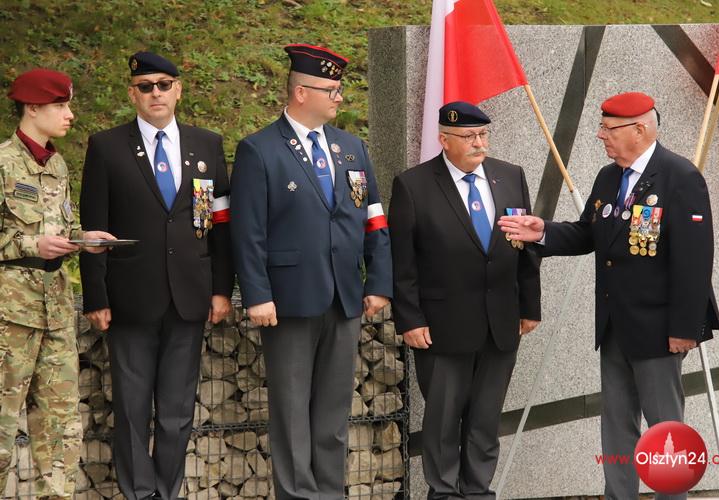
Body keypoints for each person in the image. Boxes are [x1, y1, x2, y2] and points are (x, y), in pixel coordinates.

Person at [499, 92, 719, 500]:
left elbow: (694, 260)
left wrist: (685, 328)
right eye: (601, 127)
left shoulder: (679, 177)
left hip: (660, 330)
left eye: (608, 129)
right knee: (617, 426)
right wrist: (543, 231)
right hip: (615, 325)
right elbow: (589, 233)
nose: (601, 135)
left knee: (665, 430)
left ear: (640, 129)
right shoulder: (609, 176)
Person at [231, 44, 392, 499]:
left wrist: (379, 281)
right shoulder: (259, 150)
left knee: (333, 412)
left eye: (339, 90)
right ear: (301, 92)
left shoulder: (351, 148)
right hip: (289, 299)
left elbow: (374, 218)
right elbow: (248, 232)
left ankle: (329, 492)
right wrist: (257, 294)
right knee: (291, 411)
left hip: (344, 297)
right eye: (330, 90)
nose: (339, 97)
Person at [79, 52, 234, 500]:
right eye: (145, 86)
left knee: (177, 411)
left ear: (178, 90)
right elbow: (93, 229)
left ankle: (167, 491)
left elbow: (220, 225)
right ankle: (138, 493)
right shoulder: (106, 147)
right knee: (131, 409)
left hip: (189, 296)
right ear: (133, 94)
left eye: (164, 84)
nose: (156, 93)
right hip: (130, 297)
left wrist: (222, 288)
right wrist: (95, 295)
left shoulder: (207, 145)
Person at [389, 101, 541, 500]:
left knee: (485, 419)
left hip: (500, 320)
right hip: (442, 324)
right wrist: (410, 318)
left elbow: (525, 247)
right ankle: (443, 493)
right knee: (443, 420)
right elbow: (402, 263)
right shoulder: (414, 185)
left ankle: (478, 491)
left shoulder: (510, 175)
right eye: (469, 136)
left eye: (483, 134)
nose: (479, 144)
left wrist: (529, 305)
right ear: (444, 139)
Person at [0, 68, 113, 499]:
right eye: (60, 106)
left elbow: (56, 228)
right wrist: (33, 244)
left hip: (56, 309)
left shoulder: (58, 164)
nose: (70, 115)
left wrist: (83, 239)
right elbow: (29, 237)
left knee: (62, 430)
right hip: (11, 315)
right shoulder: (3, 163)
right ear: (32, 108)